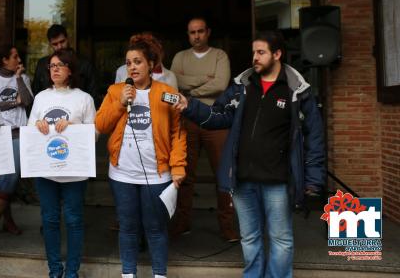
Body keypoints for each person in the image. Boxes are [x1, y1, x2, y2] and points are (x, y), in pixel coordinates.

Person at [174, 30, 325, 278]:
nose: (255, 57)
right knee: (250, 237)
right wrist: (190, 107)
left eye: (261, 52)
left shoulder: (296, 90)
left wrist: (313, 179)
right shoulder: (242, 87)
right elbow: (219, 116)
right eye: (254, 52)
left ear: (277, 54)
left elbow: (314, 137)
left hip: (278, 181)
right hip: (243, 180)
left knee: (281, 239)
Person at [95, 38, 187, 278]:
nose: (132, 67)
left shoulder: (166, 94)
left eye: (138, 62)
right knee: (127, 227)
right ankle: (128, 274)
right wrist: (120, 103)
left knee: (155, 228)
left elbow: (177, 132)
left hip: (157, 175)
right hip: (122, 174)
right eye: (128, 63)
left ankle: (159, 274)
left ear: (151, 64)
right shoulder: (116, 91)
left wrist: (178, 167)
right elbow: (101, 124)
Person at [28, 48, 96, 278]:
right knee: (49, 220)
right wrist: (37, 125)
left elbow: (94, 134)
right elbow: (30, 131)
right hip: (46, 171)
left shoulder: (84, 98)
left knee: (75, 221)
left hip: (75, 172)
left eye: (59, 65)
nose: (54, 69)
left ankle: (72, 272)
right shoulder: (40, 97)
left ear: (70, 69)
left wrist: (73, 127)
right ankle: (55, 270)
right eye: (51, 66)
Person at [169, 16, 238, 241]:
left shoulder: (220, 55)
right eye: (192, 32)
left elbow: (220, 84)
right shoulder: (180, 57)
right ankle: (182, 222)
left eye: (200, 31)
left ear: (208, 32)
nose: (196, 36)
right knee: (184, 176)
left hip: (217, 120)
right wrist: (202, 80)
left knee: (223, 176)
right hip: (187, 120)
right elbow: (175, 82)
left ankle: (227, 226)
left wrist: (191, 95)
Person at [0, 45, 33, 237]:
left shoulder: (23, 78)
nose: (18, 60)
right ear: (4, 60)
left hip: (20, 134)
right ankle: (8, 221)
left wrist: (18, 78)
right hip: (0, 134)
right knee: (4, 176)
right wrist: (15, 101)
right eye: (15, 56)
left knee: (11, 175)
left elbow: (27, 101)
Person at [32, 24, 100, 106]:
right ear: (50, 44)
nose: (60, 46)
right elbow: (35, 92)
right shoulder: (42, 64)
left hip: (78, 112)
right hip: (48, 112)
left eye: (62, 41)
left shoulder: (85, 64)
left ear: (68, 39)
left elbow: (94, 96)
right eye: (55, 44)